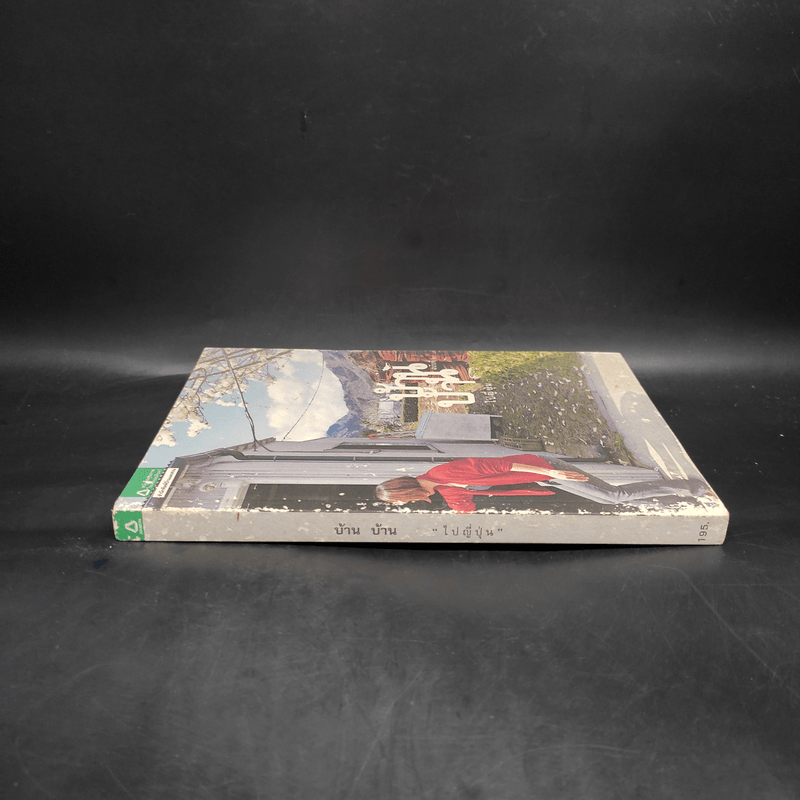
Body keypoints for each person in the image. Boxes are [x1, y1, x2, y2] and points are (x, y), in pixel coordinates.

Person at [375, 454, 589, 513]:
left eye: (398, 500)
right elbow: (463, 508)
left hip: (543, 468)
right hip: (544, 480)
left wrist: (551, 472)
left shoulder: (443, 473)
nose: (402, 504)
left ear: (404, 491)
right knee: (604, 496)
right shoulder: (442, 488)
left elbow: (503, 466)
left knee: (607, 495)